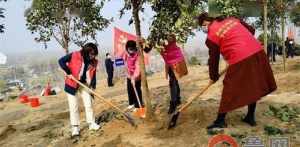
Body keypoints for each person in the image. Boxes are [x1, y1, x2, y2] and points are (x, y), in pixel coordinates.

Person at [196, 12, 277, 129]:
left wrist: (213, 76)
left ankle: (220, 120)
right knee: (252, 84)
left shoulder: (211, 36)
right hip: (258, 52)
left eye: (203, 25)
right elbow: (252, 30)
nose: (204, 28)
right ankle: (250, 116)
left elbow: (213, 59)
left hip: (241, 58)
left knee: (229, 87)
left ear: (208, 22)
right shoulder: (232, 20)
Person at [58, 43, 100, 137]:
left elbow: (93, 75)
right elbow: (61, 61)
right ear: (86, 51)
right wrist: (68, 72)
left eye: (94, 54)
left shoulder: (92, 61)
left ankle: (91, 123)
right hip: (72, 83)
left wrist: (92, 87)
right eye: (91, 54)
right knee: (74, 106)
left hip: (83, 83)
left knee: (88, 103)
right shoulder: (75, 55)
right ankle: (75, 127)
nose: (93, 56)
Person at [160, 34, 188, 114]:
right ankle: (178, 100)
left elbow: (175, 56)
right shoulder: (166, 47)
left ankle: (173, 103)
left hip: (176, 66)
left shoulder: (175, 47)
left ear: (174, 39)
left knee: (172, 83)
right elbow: (165, 56)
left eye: (171, 37)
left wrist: (164, 51)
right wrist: (162, 49)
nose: (169, 38)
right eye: (168, 37)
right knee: (174, 82)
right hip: (170, 67)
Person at [124, 40, 151, 116]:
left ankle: (138, 105)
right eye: (129, 49)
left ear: (135, 48)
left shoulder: (138, 55)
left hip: (137, 76)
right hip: (129, 75)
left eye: (132, 49)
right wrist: (130, 76)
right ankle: (131, 103)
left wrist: (134, 77)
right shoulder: (127, 54)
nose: (131, 51)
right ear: (127, 49)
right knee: (130, 89)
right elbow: (126, 63)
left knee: (137, 90)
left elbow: (138, 67)